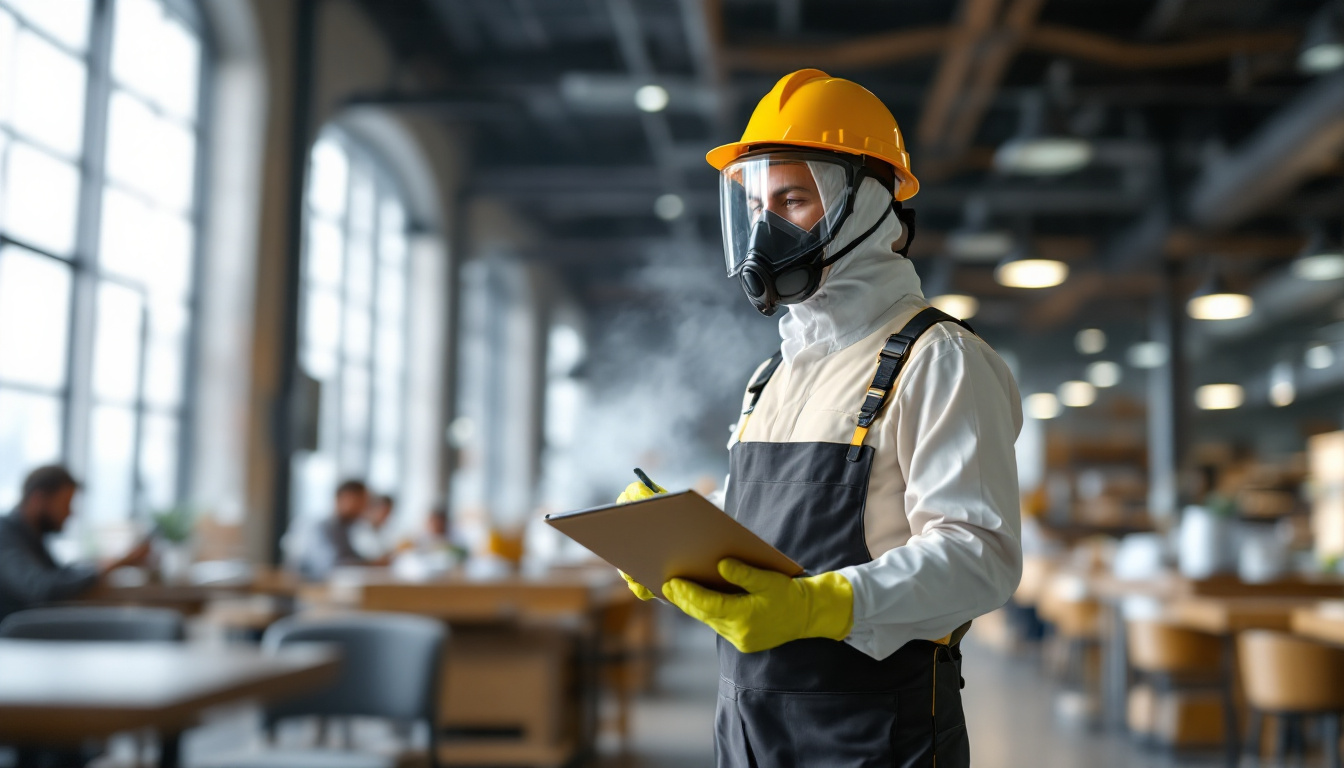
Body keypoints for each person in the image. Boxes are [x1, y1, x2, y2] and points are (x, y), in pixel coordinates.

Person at [617, 70, 1023, 766]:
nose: (765, 227)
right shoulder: (771, 375)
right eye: (755, 204)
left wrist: (822, 606)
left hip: (873, 734)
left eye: (793, 199)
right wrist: (673, 536)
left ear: (863, 202)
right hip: (748, 725)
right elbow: (772, 528)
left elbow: (980, 557)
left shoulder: (938, 359)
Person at [0, 465, 151, 625]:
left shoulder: (31, 535)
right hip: (12, 644)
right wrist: (108, 567)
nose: (70, 513)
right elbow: (43, 589)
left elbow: (60, 574)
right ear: (38, 499)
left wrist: (106, 564)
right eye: (66, 503)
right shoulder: (5, 534)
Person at [298, 479, 373, 579]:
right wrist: (371, 564)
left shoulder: (344, 529)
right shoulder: (322, 528)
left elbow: (352, 557)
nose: (364, 508)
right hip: (313, 590)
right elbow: (333, 565)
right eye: (361, 501)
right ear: (344, 498)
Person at [352, 493, 396, 562]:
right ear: (372, 510)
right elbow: (373, 558)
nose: (386, 517)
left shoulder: (383, 530)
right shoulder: (359, 530)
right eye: (383, 513)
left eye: (388, 513)